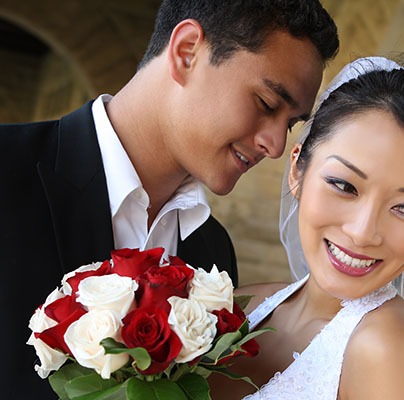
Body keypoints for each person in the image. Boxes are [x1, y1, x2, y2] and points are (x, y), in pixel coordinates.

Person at [0, 1, 338, 397]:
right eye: (266, 104)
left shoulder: (213, 253)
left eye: (291, 123)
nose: (276, 144)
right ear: (187, 51)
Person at [208, 57, 404, 399]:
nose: (364, 232)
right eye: (344, 185)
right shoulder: (243, 305)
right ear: (297, 170)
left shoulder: (384, 347)